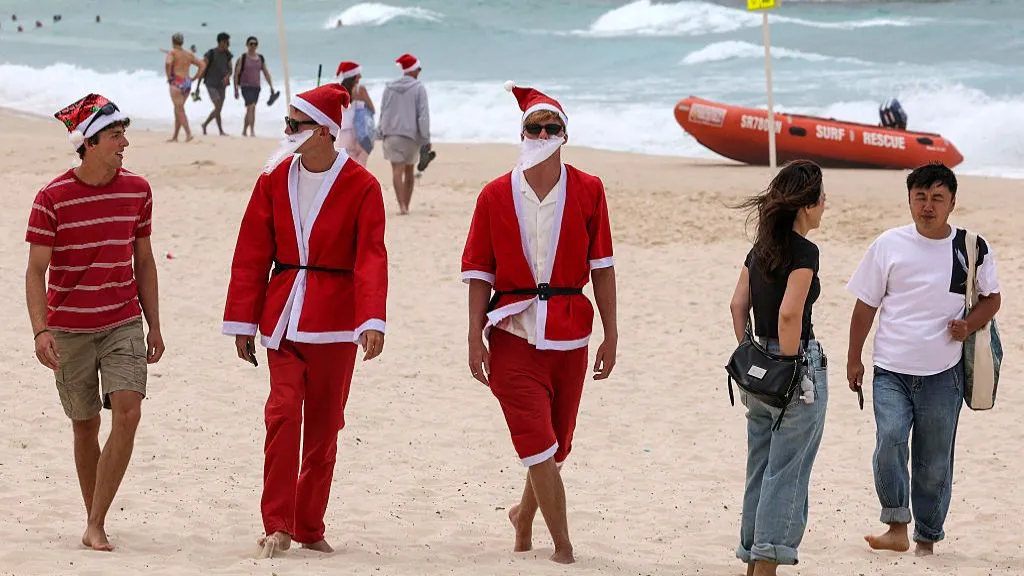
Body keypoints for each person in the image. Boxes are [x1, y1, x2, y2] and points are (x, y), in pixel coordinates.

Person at [221, 83, 388, 558]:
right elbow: (251, 251)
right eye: (287, 123)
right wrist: (242, 323)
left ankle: (309, 525)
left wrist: (371, 319)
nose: (288, 130)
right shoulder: (273, 179)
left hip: (336, 321)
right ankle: (277, 524)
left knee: (325, 426)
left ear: (324, 131)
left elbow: (371, 256)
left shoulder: (363, 185)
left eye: (296, 124)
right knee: (282, 413)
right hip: (283, 317)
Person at [461, 82, 617, 564]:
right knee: (537, 445)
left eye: (553, 127)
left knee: (557, 446)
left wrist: (612, 333)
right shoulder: (494, 195)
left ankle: (523, 516)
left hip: (570, 335)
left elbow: (602, 267)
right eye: (535, 127)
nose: (544, 134)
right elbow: (479, 272)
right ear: (523, 133)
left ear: (565, 135)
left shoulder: (589, 190)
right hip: (512, 335)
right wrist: (474, 337)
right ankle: (564, 549)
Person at [25, 94, 165, 551]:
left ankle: (96, 522)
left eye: (123, 134)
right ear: (88, 143)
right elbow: (35, 271)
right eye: (115, 136)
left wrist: (154, 325)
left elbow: (144, 260)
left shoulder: (138, 190)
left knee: (129, 413)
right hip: (69, 330)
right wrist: (41, 329)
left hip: (123, 321)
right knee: (84, 425)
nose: (125, 143)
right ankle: (94, 519)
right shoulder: (51, 198)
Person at [846, 162, 1001, 556]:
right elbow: (865, 306)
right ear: (909, 200)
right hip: (890, 370)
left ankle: (927, 539)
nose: (928, 206)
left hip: (944, 373)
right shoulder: (888, 244)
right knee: (890, 440)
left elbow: (992, 298)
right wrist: (854, 359)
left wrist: (968, 325)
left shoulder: (971, 247)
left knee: (934, 462)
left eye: (937, 198)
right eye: (920, 197)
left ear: (952, 203)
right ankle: (896, 525)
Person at [728, 159, 829, 576]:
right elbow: (790, 314)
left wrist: (751, 353)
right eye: (822, 199)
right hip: (793, 365)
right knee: (788, 471)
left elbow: (738, 305)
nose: (824, 206)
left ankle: (753, 563)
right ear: (807, 205)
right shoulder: (805, 252)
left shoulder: (761, 249)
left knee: (761, 467)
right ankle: (767, 566)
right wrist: (789, 367)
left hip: (757, 368)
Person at [378, 53, 430, 214]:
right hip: (410, 136)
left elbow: (383, 110)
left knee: (396, 170)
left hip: (391, 134)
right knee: (409, 171)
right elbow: (423, 115)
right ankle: (406, 205)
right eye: (418, 69)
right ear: (413, 70)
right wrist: (425, 137)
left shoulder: (389, 87)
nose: (419, 72)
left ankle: (401, 206)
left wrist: (380, 131)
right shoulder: (419, 88)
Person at [165, 32, 204, 142]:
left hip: (177, 82)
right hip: (187, 83)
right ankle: (175, 136)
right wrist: (195, 77)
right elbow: (202, 65)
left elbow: (168, 64)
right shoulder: (188, 54)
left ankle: (188, 134)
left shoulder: (172, 52)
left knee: (179, 110)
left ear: (173, 41)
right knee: (178, 109)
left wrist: (169, 77)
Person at [234, 36, 276, 137]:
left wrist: (271, 86)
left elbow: (266, 73)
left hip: (256, 87)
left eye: (255, 44)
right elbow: (236, 74)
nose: (253, 46)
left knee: (250, 108)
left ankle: (244, 130)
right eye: (251, 44)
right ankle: (252, 131)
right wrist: (235, 89)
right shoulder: (243, 58)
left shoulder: (260, 58)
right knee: (251, 106)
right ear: (247, 45)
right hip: (245, 86)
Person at [335, 61, 375, 166]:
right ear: (354, 76)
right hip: (360, 132)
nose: (361, 76)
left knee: (346, 167)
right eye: (358, 74)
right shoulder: (360, 90)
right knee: (361, 168)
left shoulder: (337, 91)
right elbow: (372, 109)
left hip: (342, 135)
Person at [198, 32, 233, 136]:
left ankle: (206, 125)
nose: (228, 44)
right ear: (221, 42)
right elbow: (202, 68)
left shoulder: (228, 54)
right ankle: (219, 130)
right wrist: (197, 86)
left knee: (219, 109)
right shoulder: (210, 53)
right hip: (210, 83)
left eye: (228, 42)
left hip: (222, 84)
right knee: (217, 106)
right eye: (226, 42)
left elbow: (231, 69)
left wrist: (227, 76)